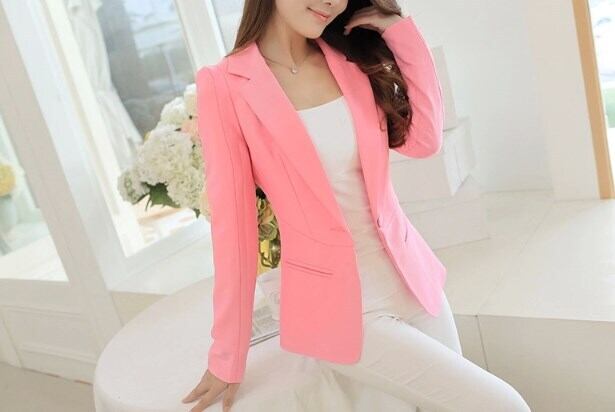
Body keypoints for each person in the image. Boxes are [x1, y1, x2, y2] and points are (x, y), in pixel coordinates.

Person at [183, 1, 532, 411]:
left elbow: (424, 141)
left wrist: (399, 31)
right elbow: (234, 231)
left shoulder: (349, 57)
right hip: (342, 311)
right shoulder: (225, 85)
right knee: (504, 405)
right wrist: (226, 356)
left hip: (411, 279)